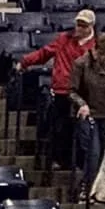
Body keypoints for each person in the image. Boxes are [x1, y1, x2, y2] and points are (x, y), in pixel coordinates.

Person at [20, 9, 96, 170]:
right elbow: (44, 53)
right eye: (78, 24)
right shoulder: (63, 39)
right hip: (62, 91)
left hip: (83, 95)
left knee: (81, 132)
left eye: (83, 25)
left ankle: (81, 165)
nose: (79, 28)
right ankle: (60, 161)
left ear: (91, 27)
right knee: (60, 127)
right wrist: (25, 62)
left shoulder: (95, 46)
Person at [70, 32, 105, 200]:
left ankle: (101, 188)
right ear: (95, 49)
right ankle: (87, 188)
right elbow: (72, 92)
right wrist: (82, 104)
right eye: (102, 53)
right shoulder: (80, 64)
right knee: (93, 152)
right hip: (88, 113)